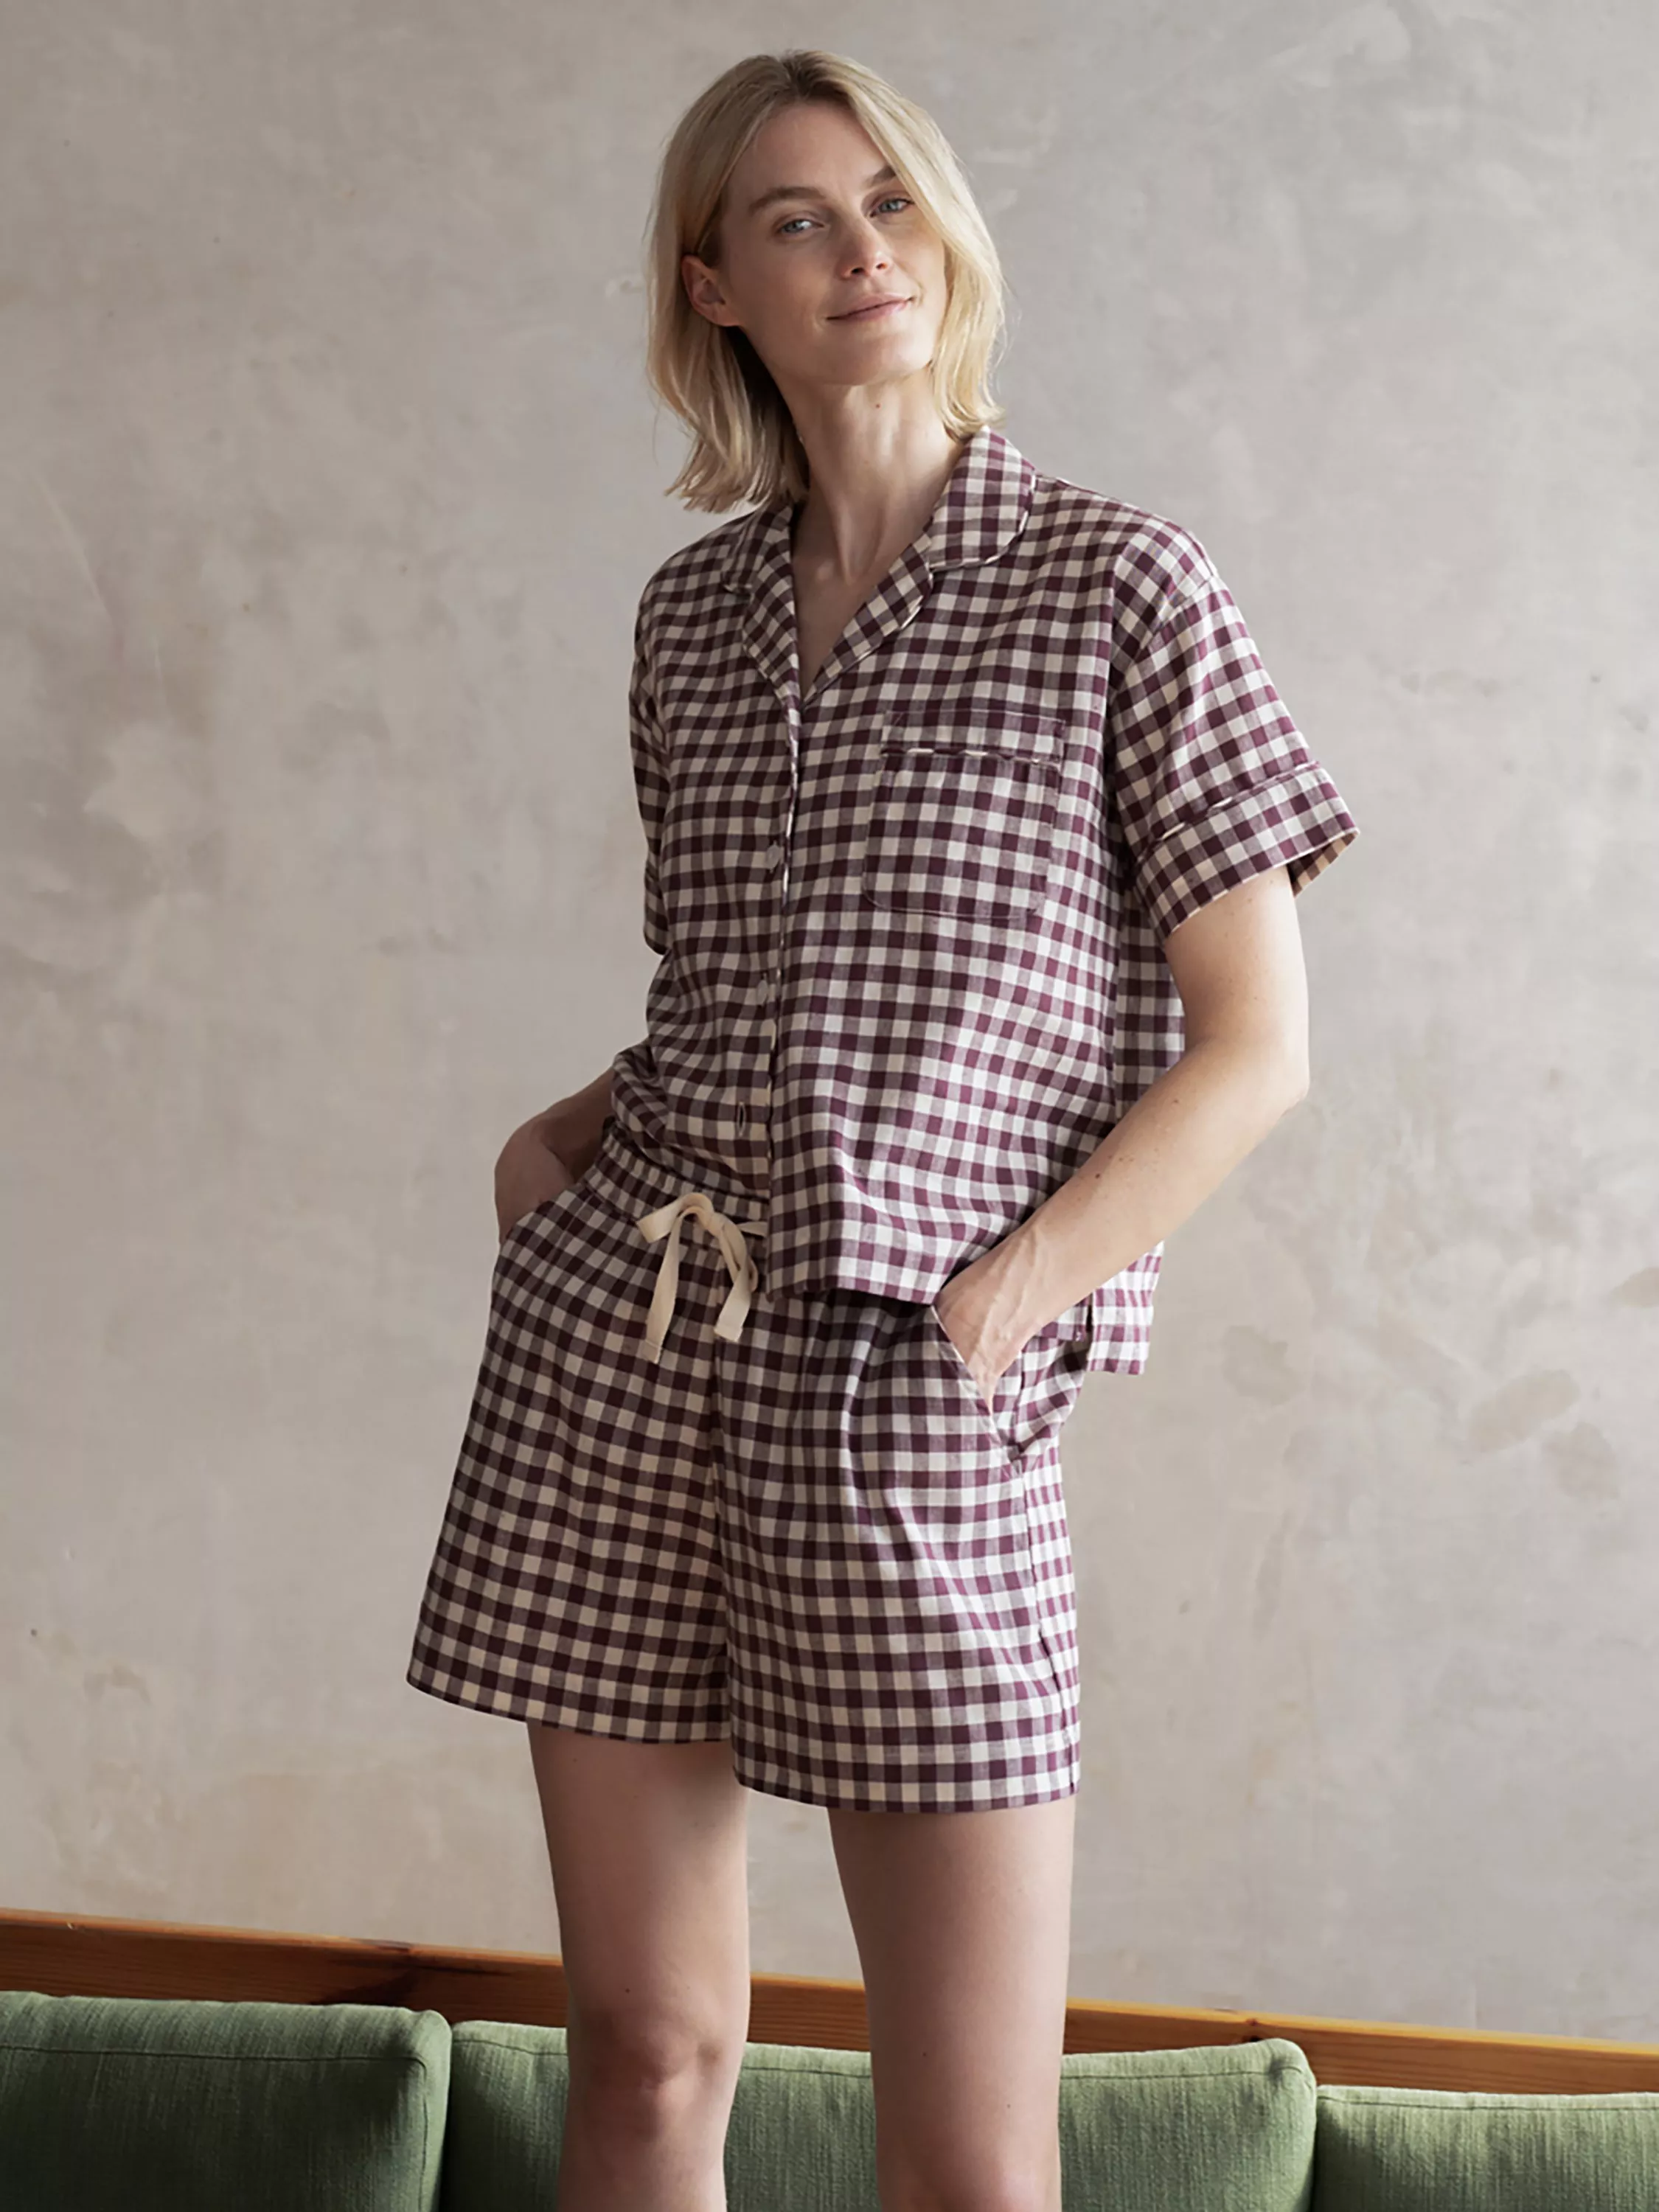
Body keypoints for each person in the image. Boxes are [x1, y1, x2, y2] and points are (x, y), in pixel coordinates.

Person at [406, 47, 1360, 2212]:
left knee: (968, 2159)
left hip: (913, 1386)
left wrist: (1001, 1306)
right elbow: (737, 992)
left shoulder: (1118, 584)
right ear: (712, 284)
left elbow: (1255, 1048)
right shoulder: (692, 620)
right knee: (647, 2056)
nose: (864, 253)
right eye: (799, 220)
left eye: (895, 201)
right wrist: (556, 1156)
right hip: (630, 1352)